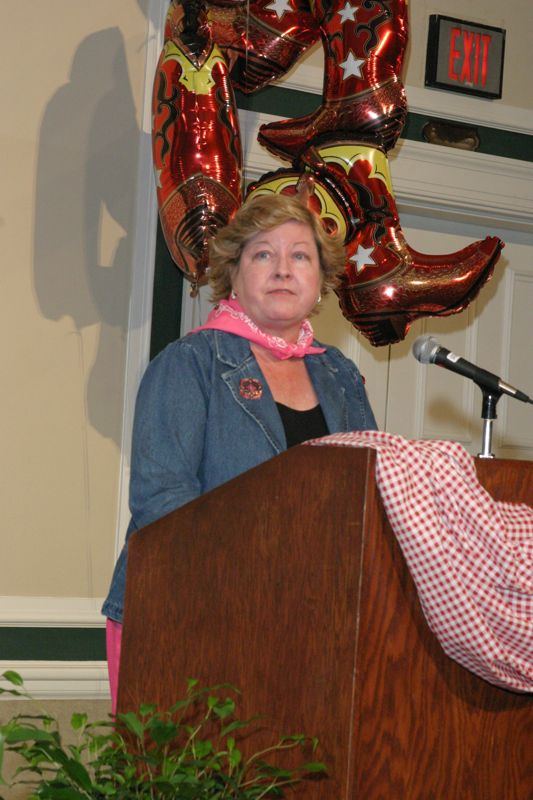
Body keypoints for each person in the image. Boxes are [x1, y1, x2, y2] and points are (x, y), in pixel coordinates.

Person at [101, 192, 377, 709]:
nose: (283, 269)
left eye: (300, 255)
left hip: (313, 625)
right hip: (191, 612)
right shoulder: (190, 363)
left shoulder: (339, 374)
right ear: (233, 273)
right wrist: (261, 581)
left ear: (320, 281)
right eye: (263, 254)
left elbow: (370, 496)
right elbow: (164, 505)